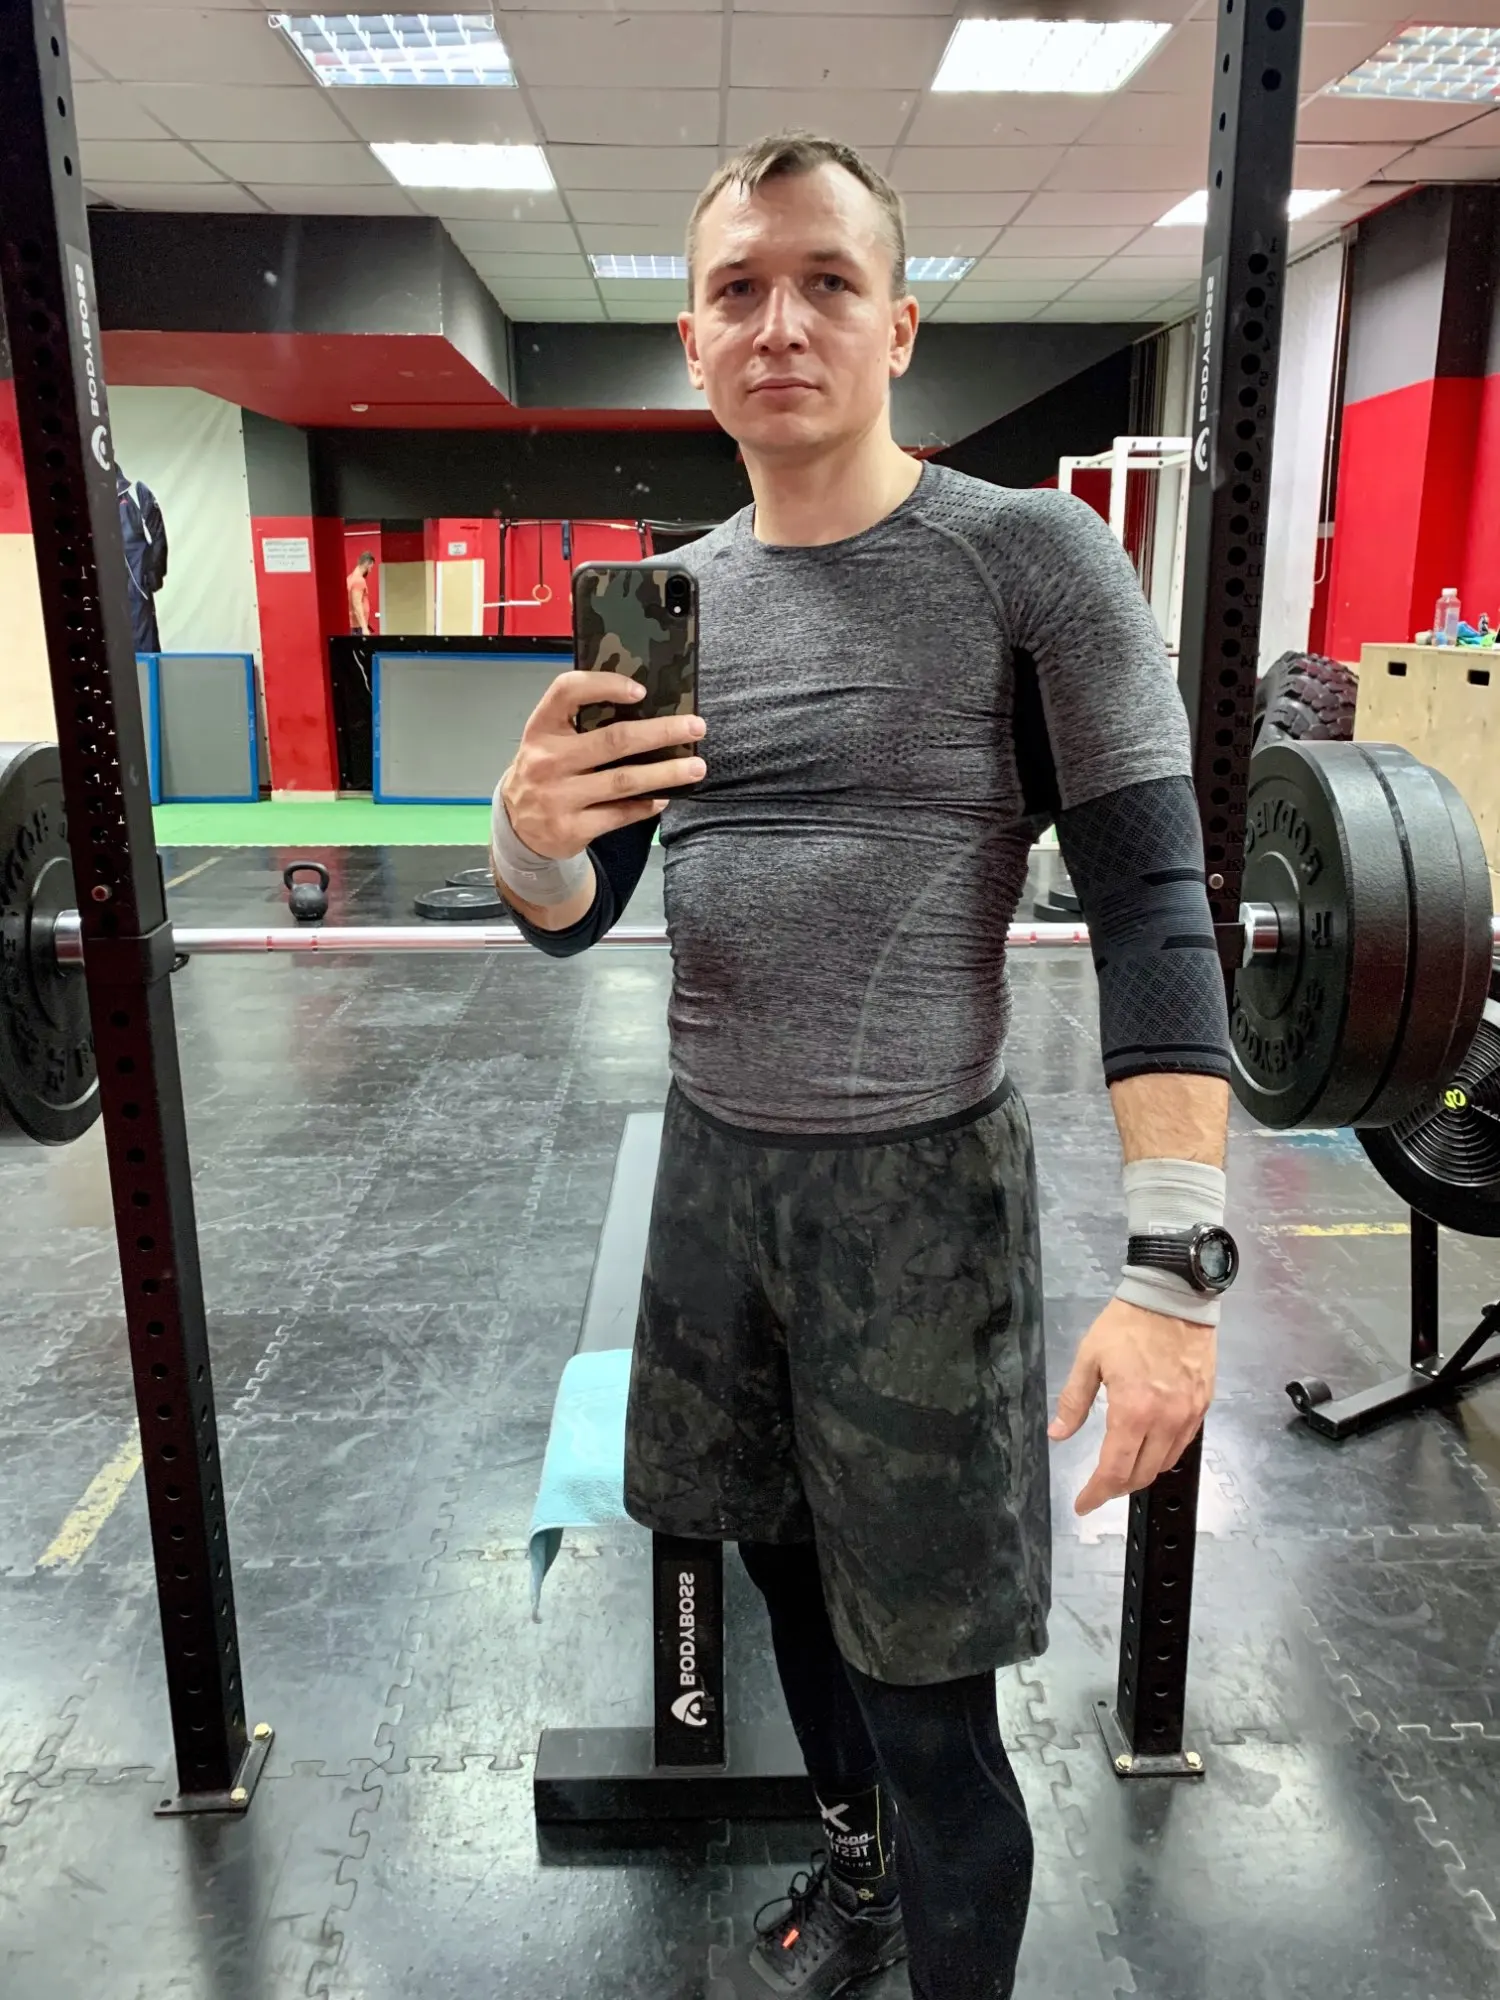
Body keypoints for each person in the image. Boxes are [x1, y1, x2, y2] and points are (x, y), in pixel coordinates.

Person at [493, 134, 1235, 2000]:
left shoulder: (1029, 562)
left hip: (920, 1205)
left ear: (898, 326)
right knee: (770, 1564)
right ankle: (855, 1872)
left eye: (827, 281)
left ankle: (938, 1918)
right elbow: (577, 916)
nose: (782, 323)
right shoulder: (666, 604)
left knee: (928, 1692)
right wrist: (524, 832)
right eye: (738, 289)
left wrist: (1174, 1266)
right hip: (715, 1179)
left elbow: (1156, 904)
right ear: (692, 342)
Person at [117, 464, 168, 654]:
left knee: (144, 651)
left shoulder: (136, 493)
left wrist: (152, 575)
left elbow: (158, 536)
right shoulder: (90, 501)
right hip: (106, 593)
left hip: (136, 589)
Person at [347, 551, 375, 637]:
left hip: (356, 626)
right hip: (358, 627)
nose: (370, 570)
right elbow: (357, 605)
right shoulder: (359, 580)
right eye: (371, 566)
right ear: (367, 563)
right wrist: (364, 628)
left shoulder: (349, 578)